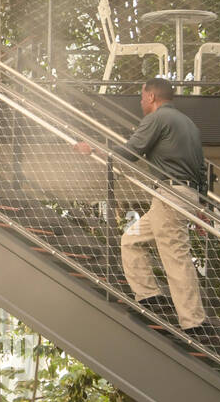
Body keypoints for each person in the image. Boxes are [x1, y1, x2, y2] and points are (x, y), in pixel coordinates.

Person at [74, 78, 209, 335]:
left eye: (141, 96)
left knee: (176, 257)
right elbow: (202, 170)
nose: (140, 101)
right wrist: (200, 206)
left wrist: (91, 150)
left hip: (170, 196)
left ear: (151, 97)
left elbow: (130, 151)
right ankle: (149, 296)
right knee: (131, 240)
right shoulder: (188, 124)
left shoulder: (157, 119)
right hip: (181, 196)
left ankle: (193, 323)